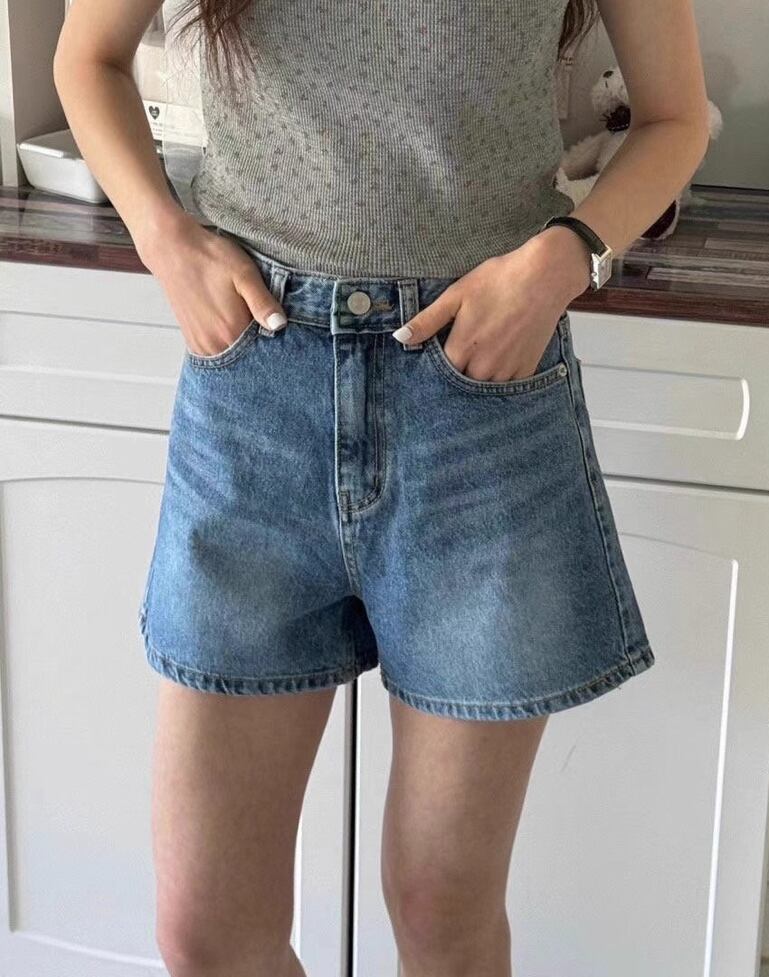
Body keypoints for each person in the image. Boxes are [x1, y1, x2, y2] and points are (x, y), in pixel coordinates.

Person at [53, 1, 710, 974]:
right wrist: (162, 236)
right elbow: (88, 57)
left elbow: (674, 118)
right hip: (256, 387)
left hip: (477, 397)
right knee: (204, 929)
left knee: (443, 912)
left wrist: (562, 257)